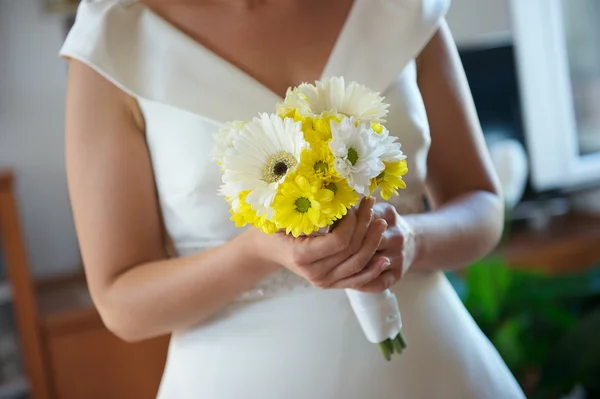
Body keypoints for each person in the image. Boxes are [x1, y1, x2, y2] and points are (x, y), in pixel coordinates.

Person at [60, 0, 526, 397]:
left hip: (435, 371)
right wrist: (255, 253)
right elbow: (121, 302)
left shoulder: (397, 8)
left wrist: (411, 238)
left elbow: (482, 204)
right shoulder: (115, 38)